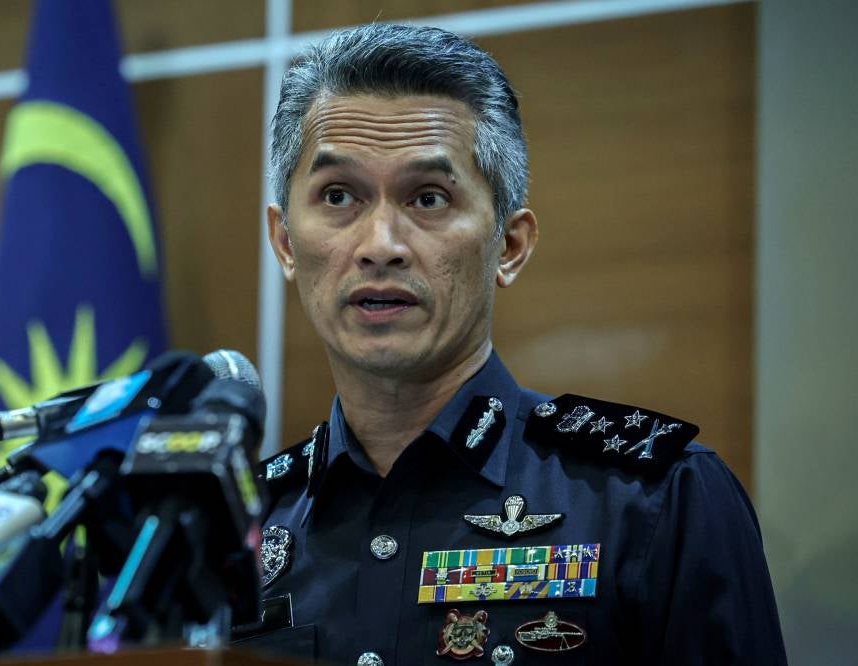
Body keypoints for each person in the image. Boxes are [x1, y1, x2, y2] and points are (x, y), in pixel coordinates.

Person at [239, 23, 786, 665]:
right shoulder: (230, 534)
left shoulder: (656, 502)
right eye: (338, 196)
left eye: (428, 197)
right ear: (284, 243)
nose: (379, 244)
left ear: (510, 245)